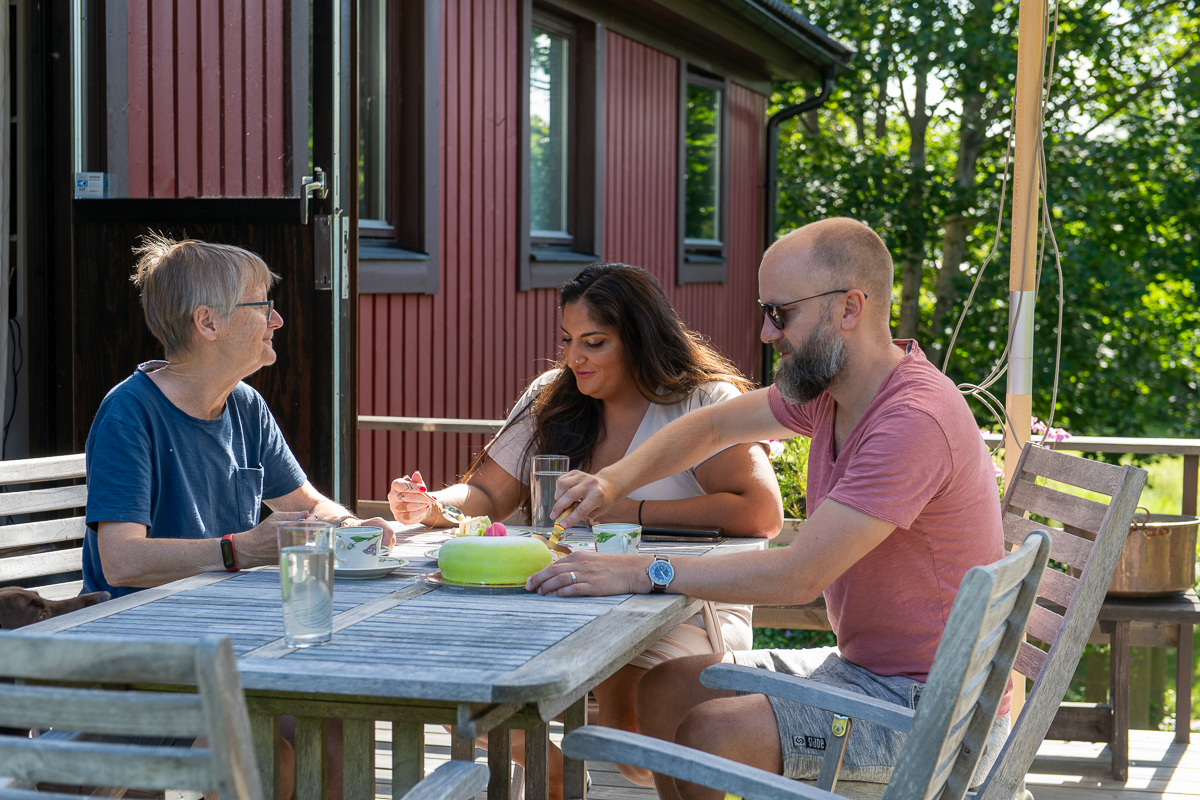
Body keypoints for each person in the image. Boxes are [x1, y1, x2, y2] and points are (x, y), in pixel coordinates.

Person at [528, 218, 1010, 800]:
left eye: (780, 314)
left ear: (849, 308)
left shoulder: (911, 421)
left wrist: (641, 569)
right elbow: (712, 424)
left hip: (931, 713)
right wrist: (610, 482)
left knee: (714, 733)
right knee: (665, 689)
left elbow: (797, 574)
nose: (764, 333)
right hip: (865, 674)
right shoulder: (836, 393)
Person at [388, 263, 783, 793]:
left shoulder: (701, 402)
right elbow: (486, 496)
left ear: (640, 339)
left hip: (678, 599)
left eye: (594, 342)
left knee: (629, 727)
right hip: (558, 594)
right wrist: (432, 504)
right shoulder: (552, 396)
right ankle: (550, 769)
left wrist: (629, 509)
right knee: (448, 670)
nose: (574, 358)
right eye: (568, 340)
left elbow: (759, 512)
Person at [83, 235, 390, 800]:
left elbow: (309, 506)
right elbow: (120, 561)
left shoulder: (244, 405)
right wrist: (240, 549)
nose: (276, 319)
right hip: (145, 658)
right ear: (208, 322)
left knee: (339, 730)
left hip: (233, 643)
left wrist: (355, 527)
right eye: (261, 305)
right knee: (257, 748)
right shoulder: (129, 414)